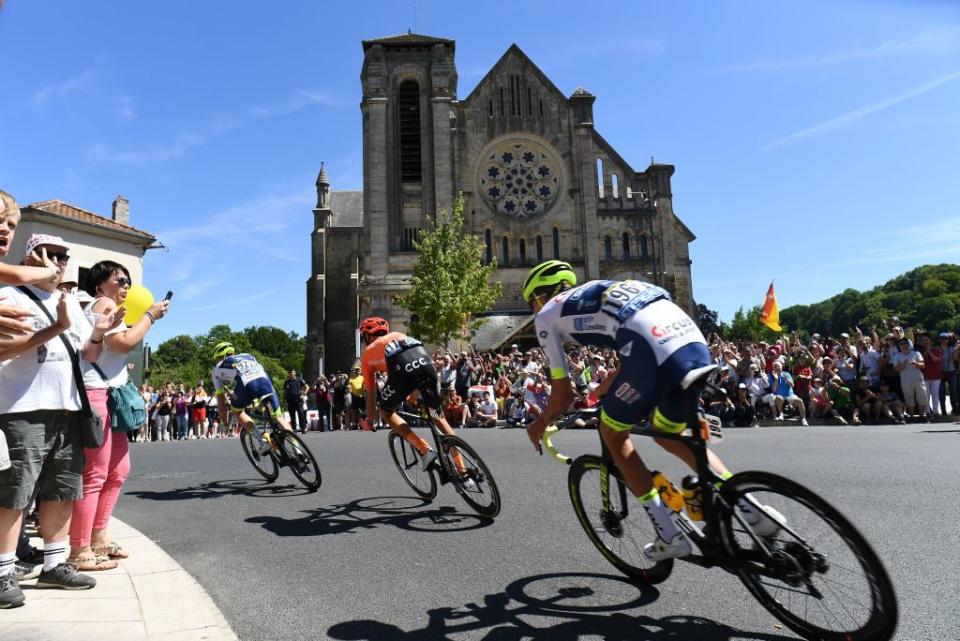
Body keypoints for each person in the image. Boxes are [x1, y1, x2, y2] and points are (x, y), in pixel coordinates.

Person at [521, 260, 783, 562]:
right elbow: (629, 351)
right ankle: (752, 511)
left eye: (532, 303)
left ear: (541, 296)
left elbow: (562, 395)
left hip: (649, 348)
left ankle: (668, 533)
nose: (534, 310)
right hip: (691, 341)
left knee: (611, 432)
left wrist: (540, 423)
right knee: (669, 435)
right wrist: (602, 388)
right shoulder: (604, 291)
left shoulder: (547, 315)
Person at [0, 233, 124, 608]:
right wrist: (54, 327)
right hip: (23, 407)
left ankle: (54, 563)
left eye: (65, 256)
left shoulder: (64, 300)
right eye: (51, 254)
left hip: (68, 406)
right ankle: (4, 570)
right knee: (15, 493)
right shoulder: (11, 296)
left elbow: (88, 354)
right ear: (31, 255)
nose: (59, 262)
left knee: (63, 487)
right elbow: (6, 347)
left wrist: (99, 332)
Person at [69, 260, 169, 571]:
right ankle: (80, 548)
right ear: (100, 284)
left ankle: (98, 536)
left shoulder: (114, 306)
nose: (126, 286)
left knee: (118, 469)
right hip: (96, 393)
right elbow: (124, 343)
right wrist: (151, 315)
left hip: (110, 395)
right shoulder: (103, 304)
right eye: (119, 280)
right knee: (96, 473)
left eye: (127, 281)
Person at [356, 317, 471, 486]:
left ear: (366, 336)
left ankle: (425, 450)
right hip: (426, 366)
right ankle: (464, 472)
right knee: (439, 418)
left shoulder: (367, 355)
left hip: (403, 372)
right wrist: (412, 396)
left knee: (386, 411)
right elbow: (418, 364)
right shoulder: (400, 334)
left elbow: (372, 393)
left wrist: (370, 420)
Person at [210, 342, 294, 448]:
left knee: (237, 411)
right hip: (265, 381)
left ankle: (262, 441)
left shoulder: (217, 368)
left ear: (220, 356)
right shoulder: (248, 355)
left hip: (247, 384)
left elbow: (221, 402)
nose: (217, 361)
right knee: (278, 417)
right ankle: (298, 450)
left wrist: (225, 422)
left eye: (217, 359)